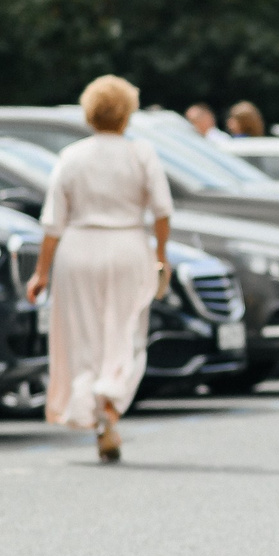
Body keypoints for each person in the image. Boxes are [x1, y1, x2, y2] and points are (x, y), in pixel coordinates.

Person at [23, 75, 173, 463]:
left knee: (83, 335)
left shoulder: (72, 156)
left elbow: (52, 222)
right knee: (126, 330)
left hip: (78, 248)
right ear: (127, 112)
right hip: (127, 245)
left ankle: (88, 401)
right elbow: (162, 211)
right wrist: (161, 256)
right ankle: (111, 399)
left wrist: (41, 272)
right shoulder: (141, 153)